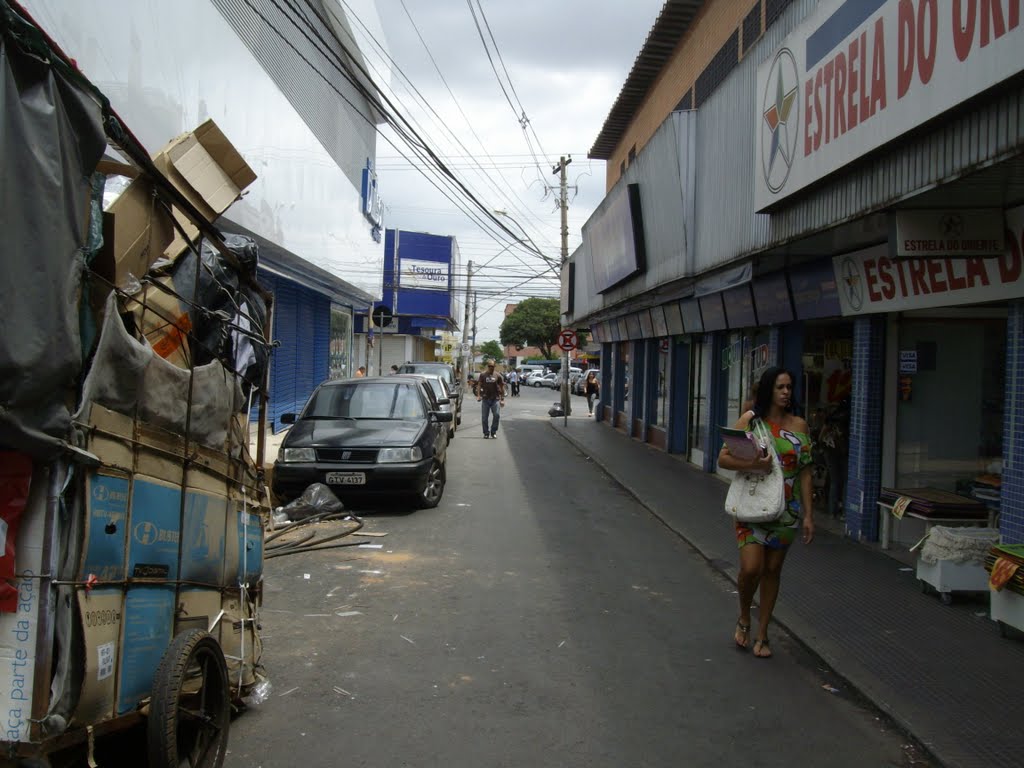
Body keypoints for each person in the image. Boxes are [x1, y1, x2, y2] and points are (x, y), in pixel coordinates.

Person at [717, 367, 813, 659]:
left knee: (772, 570)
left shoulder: (800, 426)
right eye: (780, 387)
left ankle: (762, 633)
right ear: (769, 389)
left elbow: (806, 471)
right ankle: (745, 615)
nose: (786, 392)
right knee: (751, 569)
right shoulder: (751, 421)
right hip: (752, 505)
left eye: (789, 387)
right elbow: (723, 457)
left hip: (786, 510)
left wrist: (809, 514)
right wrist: (753, 466)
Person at [476, 361, 505, 438]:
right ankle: (486, 433)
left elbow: (502, 387)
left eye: (492, 366)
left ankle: (493, 431)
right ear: (487, 366)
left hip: (495, 399)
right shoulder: (483, 375)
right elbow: (479, 385)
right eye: (489, 366)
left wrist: (502, 399)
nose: (491, 367)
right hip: (485, 399)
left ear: (494, 366)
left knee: (497, 415)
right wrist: (478, 395)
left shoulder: (498, 376)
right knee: (484, 417)